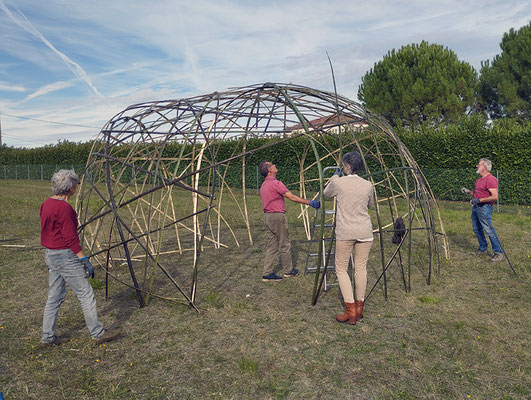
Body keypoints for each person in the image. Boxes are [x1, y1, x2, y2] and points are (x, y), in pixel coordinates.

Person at [40, 169, 121, 345]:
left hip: (51, 254)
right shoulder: (64, 208)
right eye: (76, 184)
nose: (77, 187)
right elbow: (70, 238)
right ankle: (98, 333)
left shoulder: (46, 203)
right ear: (70, 188)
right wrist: (83, 259)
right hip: (64, 255)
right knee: (85, 292)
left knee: (54, 296)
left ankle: (47, 337)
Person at [323, 151, 374, 325]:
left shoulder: (338, 182)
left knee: (341, 269)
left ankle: (350, 309)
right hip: (365, 231)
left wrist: (333, 177)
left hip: (346, 232)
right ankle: (359, 308)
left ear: (348, 166)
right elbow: (370, 204)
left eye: (344, 164)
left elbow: (326, 193)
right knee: (360, 268)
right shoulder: (368, 184)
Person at [259, 161, 320, 282]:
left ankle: (267, 273)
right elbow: (291, 197)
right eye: (272, 165)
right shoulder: (276, 183)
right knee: (285, 243)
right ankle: (288, 271)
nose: (275, 165)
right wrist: (310, 202)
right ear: (269, 170)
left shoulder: (264, 185)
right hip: (277, 217)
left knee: (273, 245)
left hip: (267, 217)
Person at [460, 158, 504, 262]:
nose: (477, 166)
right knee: (477, 229)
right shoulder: (479, 180)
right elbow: (476, 194)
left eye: (478, 164)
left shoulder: (491, 179)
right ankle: (483, 248)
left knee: (489, 230)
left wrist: (479, 200)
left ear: (485, 166)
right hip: (476, 207)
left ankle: (498, 253)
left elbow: (494, 196)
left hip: (485, 208)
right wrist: (467, 191)